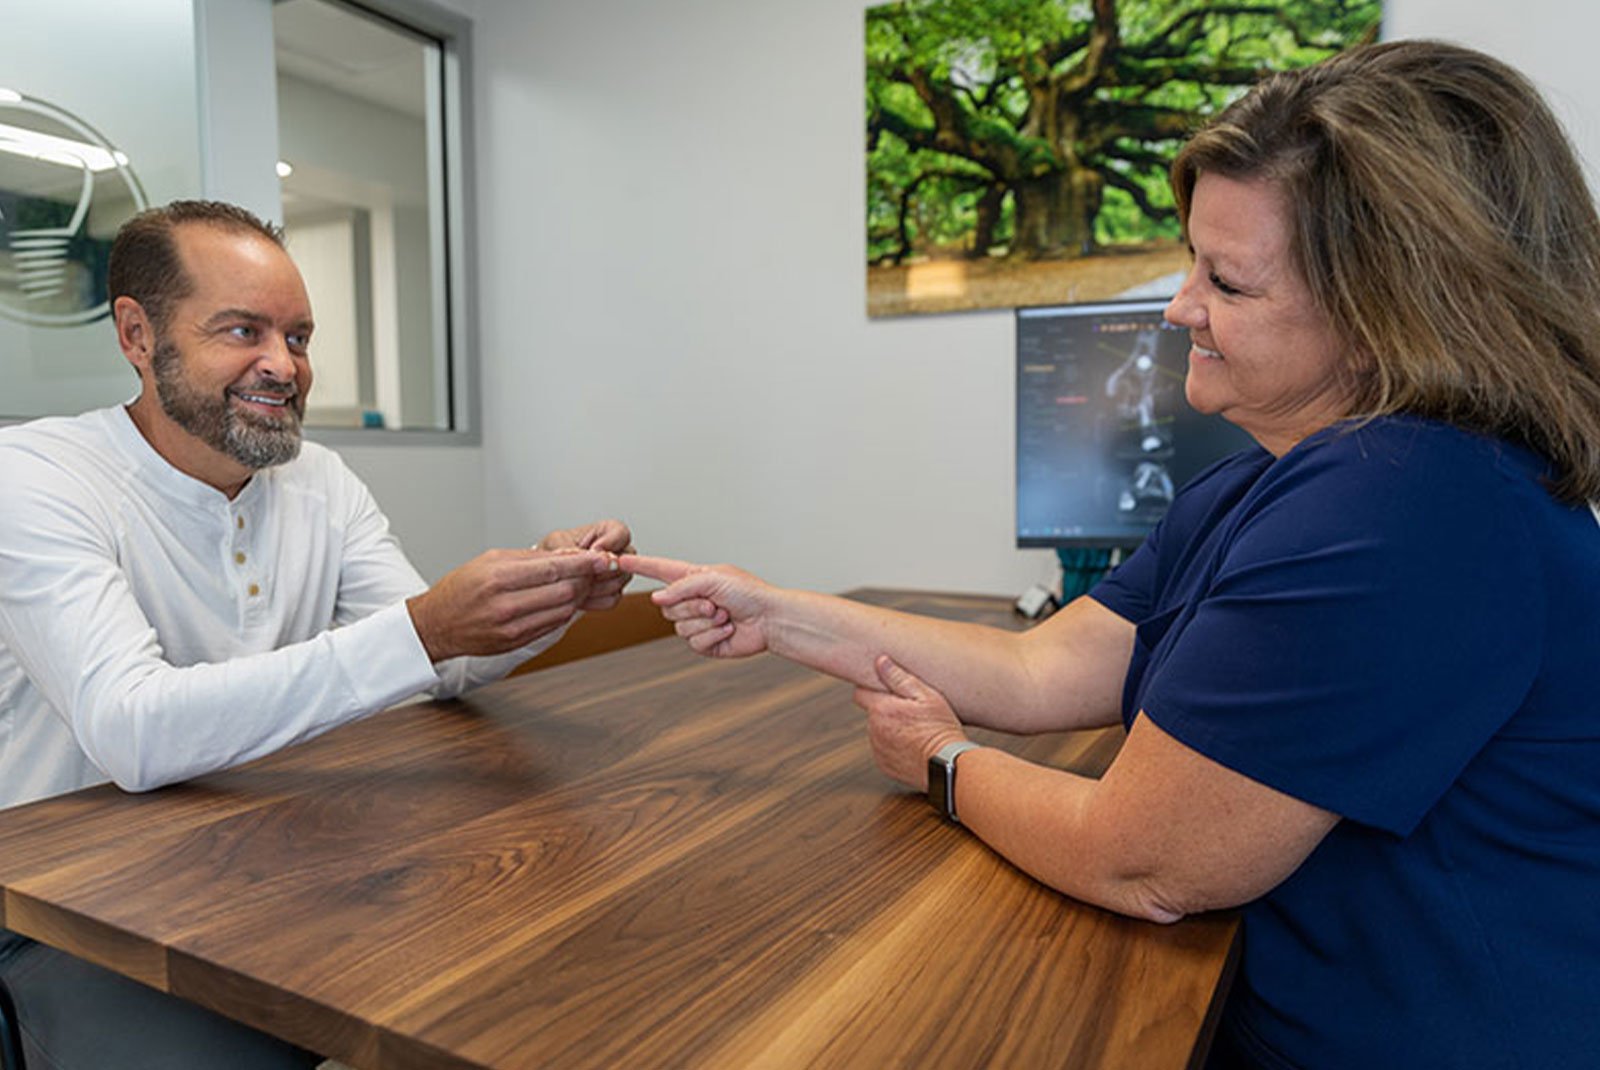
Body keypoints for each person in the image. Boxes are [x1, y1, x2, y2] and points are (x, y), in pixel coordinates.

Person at [626, 40, 1600, 1070]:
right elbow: (1039, 665)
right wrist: (772, 611)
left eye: (1224, 278)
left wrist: (941, 763)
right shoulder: (1270, 483)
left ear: (1389, 310)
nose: (1179, 307)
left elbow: (1144, 860)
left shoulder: (1409, 502)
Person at [0, 200, 632, 1067]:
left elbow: (432, 664)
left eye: (297, 338)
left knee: (537, 972)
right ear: (137, 335)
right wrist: (424, 629)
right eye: (241, 331)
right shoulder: (36, 477)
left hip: (261, 865)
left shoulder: (318, 481)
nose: (283, 366)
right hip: (62, 910)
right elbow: (130, 729)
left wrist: (540, 597)